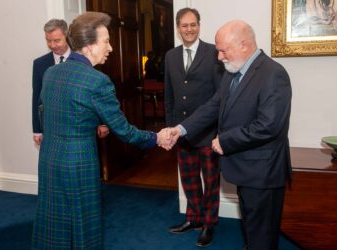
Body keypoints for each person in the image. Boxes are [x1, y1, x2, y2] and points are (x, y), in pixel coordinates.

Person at [31, 12, 171, 249]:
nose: (111, 47)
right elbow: (124, 131)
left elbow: (52, 113)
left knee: (53, 222)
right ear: (89, 45)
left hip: (49, 158)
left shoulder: (51, 73)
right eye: (106, 41)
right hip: (79, 163)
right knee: (84, 225)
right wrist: (156, 137)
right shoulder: (97, 81)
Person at [169, 20, 292, 250]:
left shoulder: (273, 74)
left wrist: (225, 140)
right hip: (246, 169)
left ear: (244, 45)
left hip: (263, 173)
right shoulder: (233, 71)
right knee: (252, 229)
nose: (219, 57)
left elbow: (269, 126)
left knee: (262, 234)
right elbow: (213, 106)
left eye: (223, 50)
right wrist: (180, 129)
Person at [164, 8, 224, 248]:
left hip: (208, 132)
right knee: (189, 181)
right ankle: (194, 218)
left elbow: (221, 96)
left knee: (210, 182)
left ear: (199, 25)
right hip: (182, 132)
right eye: (184, 25)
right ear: (178, 28)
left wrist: (220, 130)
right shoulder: (170, 56)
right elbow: (169, 94)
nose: (189, 29)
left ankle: (209, 223)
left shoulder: (213, 53)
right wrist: (171, 129)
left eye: (193, 25)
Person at [31, 18, 109, 145]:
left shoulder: (86, 57)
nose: (52, 45)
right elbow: (36, 98)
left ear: (67, 37)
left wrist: (102, 122)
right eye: (48, 40)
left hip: (80, 130)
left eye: (56, 40)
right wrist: (37, 130)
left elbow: (96, 95)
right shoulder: (40, 64)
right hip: (52, 128)